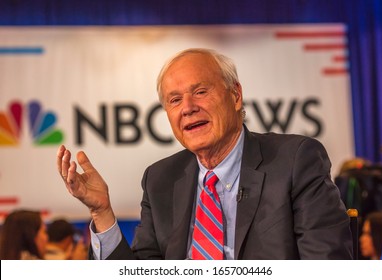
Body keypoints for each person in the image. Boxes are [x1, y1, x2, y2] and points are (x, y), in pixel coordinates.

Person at [57, 48, 353, 260]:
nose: (187, 107)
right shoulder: (159, 179)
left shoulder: (295, 160)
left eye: (200, 92)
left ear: (235, 96)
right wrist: (102, 213)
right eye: (175, 100)